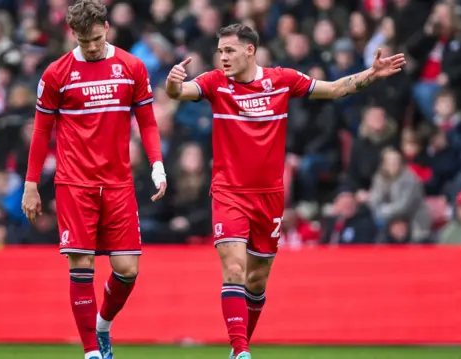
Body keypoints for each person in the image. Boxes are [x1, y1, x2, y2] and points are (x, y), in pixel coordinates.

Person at [165, 23, 405, 359]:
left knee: (257, 279)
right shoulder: (215, 83)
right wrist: (173, 83)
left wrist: (371, 73)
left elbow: (335, 89)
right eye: (220, 51)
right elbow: (179, 93)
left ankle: (239, 348)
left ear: (250, 50)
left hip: (270, 196)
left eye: (230, 50)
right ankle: (241, 350)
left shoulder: (281, 79)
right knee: (234, 268)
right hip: (229, 192)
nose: (223, 57)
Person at [21, 1, 167, 359]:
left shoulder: (131, 67)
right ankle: (91, 352)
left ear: (107, 27)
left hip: (118, 182)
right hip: (75, 183)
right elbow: (42, 131)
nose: (91, 46)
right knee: (81, 264)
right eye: (84, 41)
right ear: (73, 34)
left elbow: (147, 121)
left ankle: (102, 326)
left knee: (127, 270)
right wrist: (30, 183)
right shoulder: (56, 74)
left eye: (97, 38)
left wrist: (157, 165)